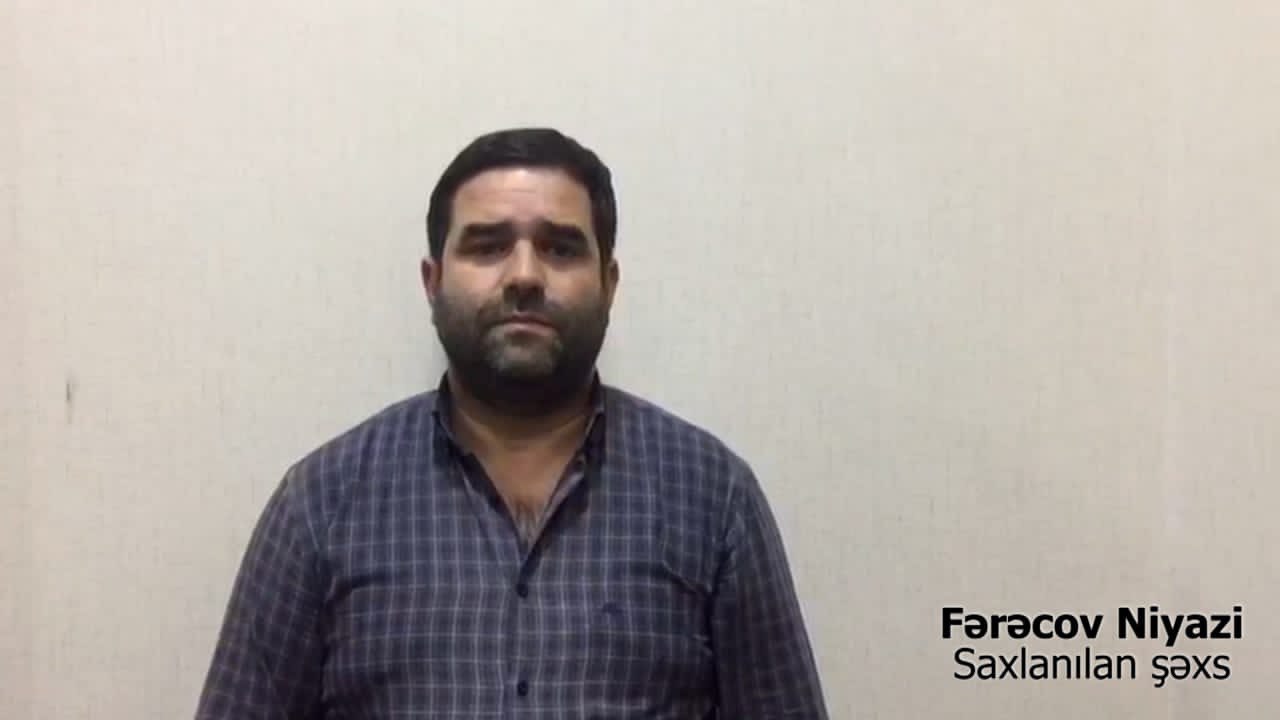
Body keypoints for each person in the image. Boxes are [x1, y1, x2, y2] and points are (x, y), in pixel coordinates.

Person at [195, 127, 829, 718]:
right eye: (488, 245)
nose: (524, 275)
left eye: (560, 248)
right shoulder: (321, 504)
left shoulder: (712, 497)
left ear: (608, 283)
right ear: (433, 282)